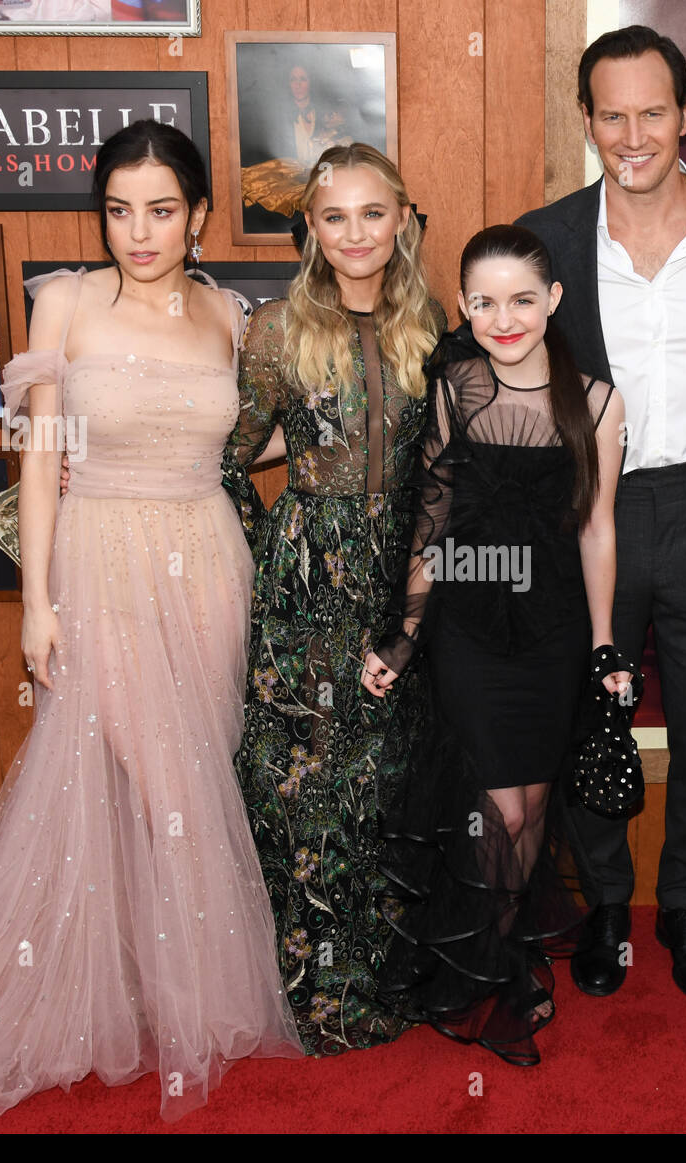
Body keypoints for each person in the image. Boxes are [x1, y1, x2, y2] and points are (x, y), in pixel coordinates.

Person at [0, 120, 302, 1122]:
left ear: (196, 216)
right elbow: (39, 463)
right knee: (161, 788)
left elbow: (260, 438)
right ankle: (173, 1001)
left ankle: (157, 987)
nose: (138, 233)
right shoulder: (61, 301)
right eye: (118, 211)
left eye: (160, 211)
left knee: (197, 767)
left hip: (208, 561)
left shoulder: (233, 317)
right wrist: (36, 603)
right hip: (100, 559)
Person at [517, 25, 686, 1005]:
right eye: (611, 114)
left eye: (651, 112)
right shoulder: (544, 237)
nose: (633, 134)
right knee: (593, 715)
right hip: (594, 514)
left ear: (685, 114)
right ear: (587, 121)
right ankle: (602, 905)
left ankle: (682, 906)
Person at [361, 225, 628, 1066]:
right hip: (469, 629)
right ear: (465, 306)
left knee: (537, 805)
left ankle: (501, 947)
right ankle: (485, 959)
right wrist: (405, 636)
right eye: (483, 301)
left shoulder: (597, 402)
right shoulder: (455, 388)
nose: (503, 317)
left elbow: (597, 530)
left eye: (521, 299)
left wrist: (606, 645)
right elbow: (431, 522)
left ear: (552, 301)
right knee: (497, 807)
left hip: (551, 633)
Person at [224, 143, 446, 1056]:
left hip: (408, 577)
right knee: (304, 783)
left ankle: (378, 975)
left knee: (383, 779)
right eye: (333, 216)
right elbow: (235, 456)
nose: (355, 234)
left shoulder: (434, 325)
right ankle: (309, 995)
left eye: (371, 213)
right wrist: (255, 564)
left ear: (402, 218)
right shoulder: (276, 329)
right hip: (306, 581)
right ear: (310, 227)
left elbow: (448, 466)